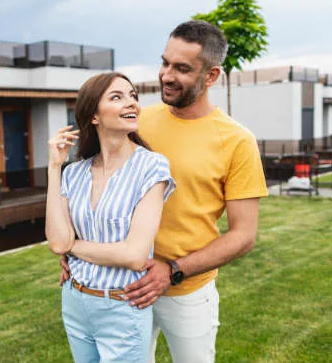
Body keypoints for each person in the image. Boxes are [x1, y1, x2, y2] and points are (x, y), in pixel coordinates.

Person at [62, 20, 268, 362]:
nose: (166, 75)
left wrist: (173, 269)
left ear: (211, 76)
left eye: (182, 68)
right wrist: (77, 250)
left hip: (186, 292)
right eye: (165, 63)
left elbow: (243, 235)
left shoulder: (237, 141)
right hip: (122, 285)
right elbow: (96, 181)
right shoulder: (137, 120)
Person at [45, 72, 176, 363]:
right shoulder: (74, 172)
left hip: (121, 305)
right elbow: (56, 240)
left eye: (132, 96)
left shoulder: (151, 166)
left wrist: (72, 247)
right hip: (75, 301)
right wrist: (54, 167)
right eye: (117, 97)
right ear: (94, 115)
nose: (131, 103)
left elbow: (134, 255)